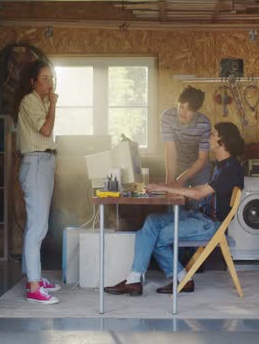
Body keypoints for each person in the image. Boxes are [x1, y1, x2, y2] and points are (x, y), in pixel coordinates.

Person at [104, 122, 245, 296]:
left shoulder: (231, 169)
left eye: (213, 134)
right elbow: (205, 189)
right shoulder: (222, 165)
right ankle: (134, 279)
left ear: (222, 141)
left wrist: (166, 188)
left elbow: (199, 193)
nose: (208, 137)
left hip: (210, 225)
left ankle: (182, 279)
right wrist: (170, 186)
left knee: (158, 237)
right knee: (153, 221)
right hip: (200, 217)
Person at [13, 59, 61, 305]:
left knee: (38, 224)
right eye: (44, 78)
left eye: (51, 78)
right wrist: (53, 104)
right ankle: (33, 287)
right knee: (37, 227)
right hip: (36, 165)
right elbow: (45, 130)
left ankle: (35, 277)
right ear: (33, 82)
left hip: (44, 163)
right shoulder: (30, 101)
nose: (49, 83)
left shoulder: (40, 102)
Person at [161, 86, 212, 188]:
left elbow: (202, 159)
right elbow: (170, 152)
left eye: (189, 110)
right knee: (174, 199)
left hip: (200, 168)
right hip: (178, 167)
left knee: (199, 202)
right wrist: (170, 182)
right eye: (181, 107)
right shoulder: (167, 117)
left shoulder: (204, 123)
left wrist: (180, 180)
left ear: (196, 111)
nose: (183, 113)